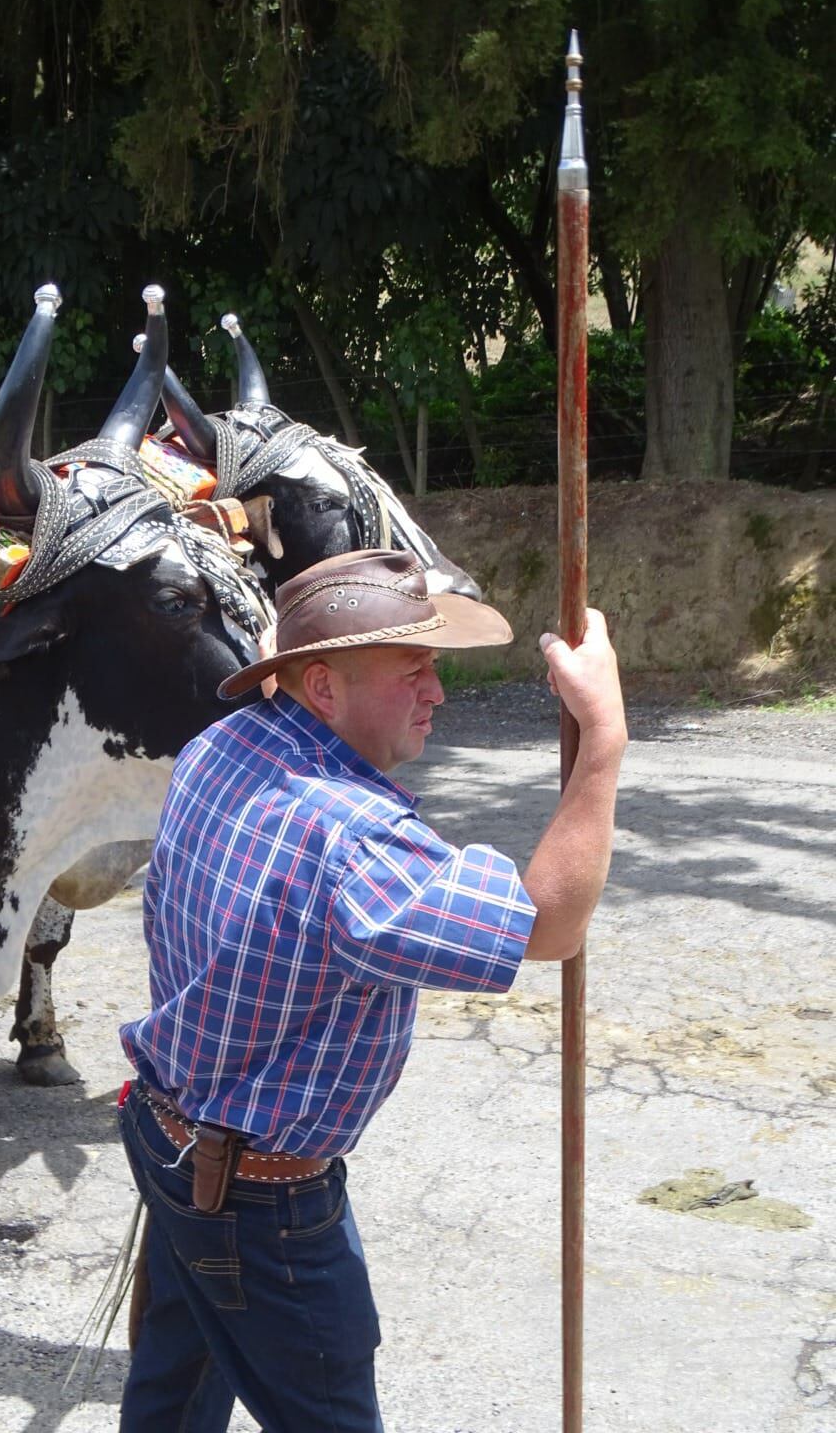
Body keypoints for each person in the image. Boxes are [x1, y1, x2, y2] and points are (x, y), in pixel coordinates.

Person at [116, 547, 627, 1432]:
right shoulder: (354, 842)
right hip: (257, 1201)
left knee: (174, 1386)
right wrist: (604, 745)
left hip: (168, 1135)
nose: (438, 693)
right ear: (322, 687)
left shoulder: (223, 743)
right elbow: (550, 926)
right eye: (414, 670)